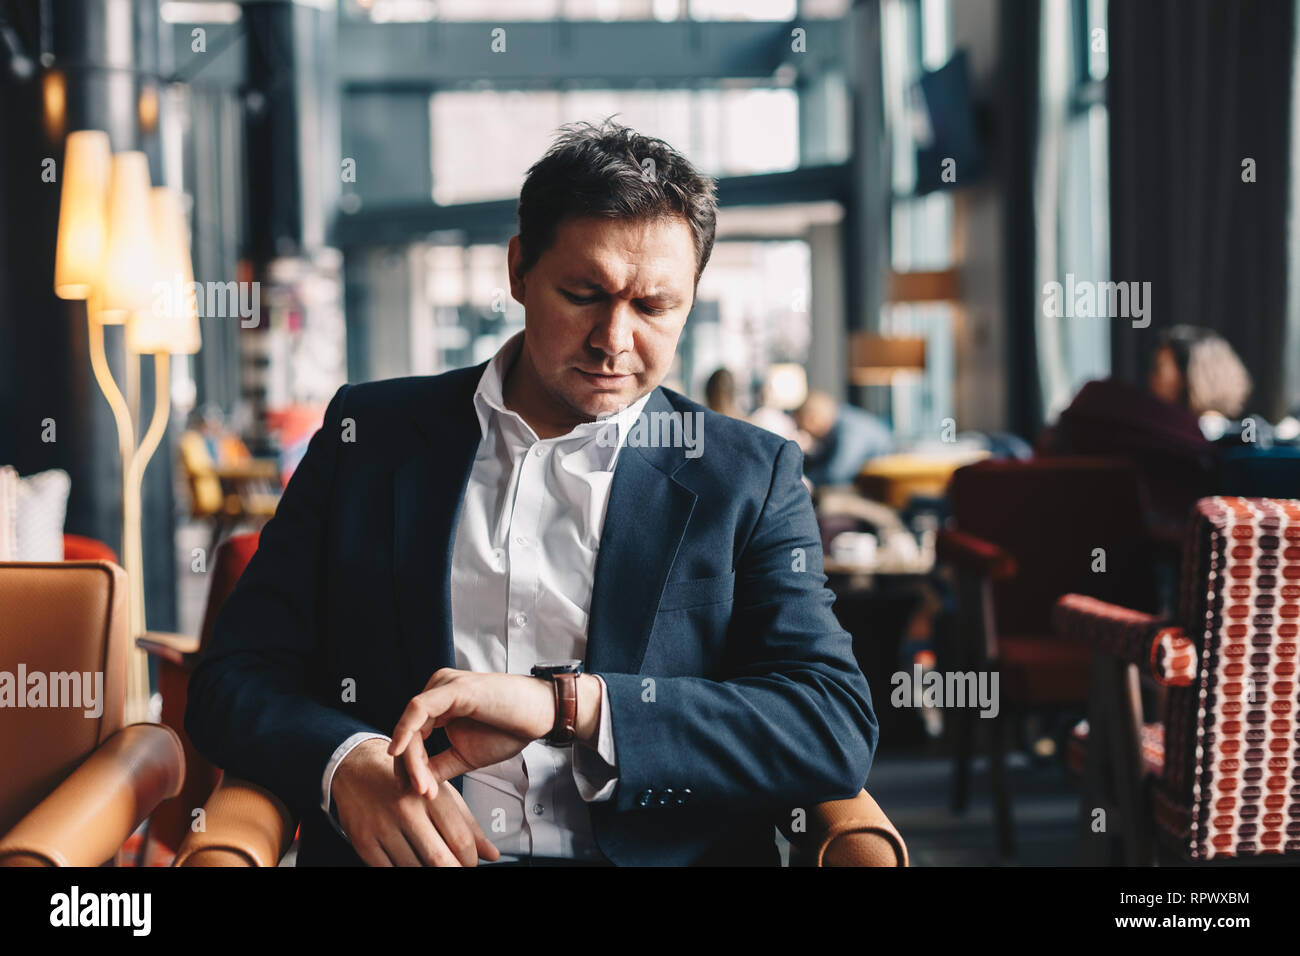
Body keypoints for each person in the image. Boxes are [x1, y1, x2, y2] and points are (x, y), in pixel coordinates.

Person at [185, 119, 877, 867]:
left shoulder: (748, 473)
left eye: (654, 308)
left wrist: (569, 706)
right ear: (519, 271)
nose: (613, 341)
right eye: (584, 294)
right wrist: (345, 760)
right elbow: (233, 677)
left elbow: (829, 721)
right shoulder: (369, 435)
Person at [1040, 325, 1250, 536]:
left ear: (1194, 375)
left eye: (1160, 368)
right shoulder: (1161, 433)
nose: (1152, 378)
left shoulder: (1202, 439)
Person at [793, 390, 895, 487]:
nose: (804, 433)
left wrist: (801, 480)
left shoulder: (850, 429)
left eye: (802, 427)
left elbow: (838, 474)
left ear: (812, 419)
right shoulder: (841, 421)